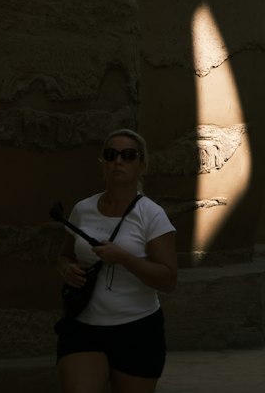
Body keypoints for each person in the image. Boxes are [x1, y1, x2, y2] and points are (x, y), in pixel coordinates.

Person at [55, 129, 178, 392]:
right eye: (111, 155)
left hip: (137, 331)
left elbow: (168, 279)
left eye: (128, 155)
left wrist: (123, 258)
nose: (118, 161)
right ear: (103, 164)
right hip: (84, 326)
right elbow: (64, 256)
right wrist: (67, 269)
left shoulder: (152, 216)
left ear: (142, 165)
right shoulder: (83, 209)